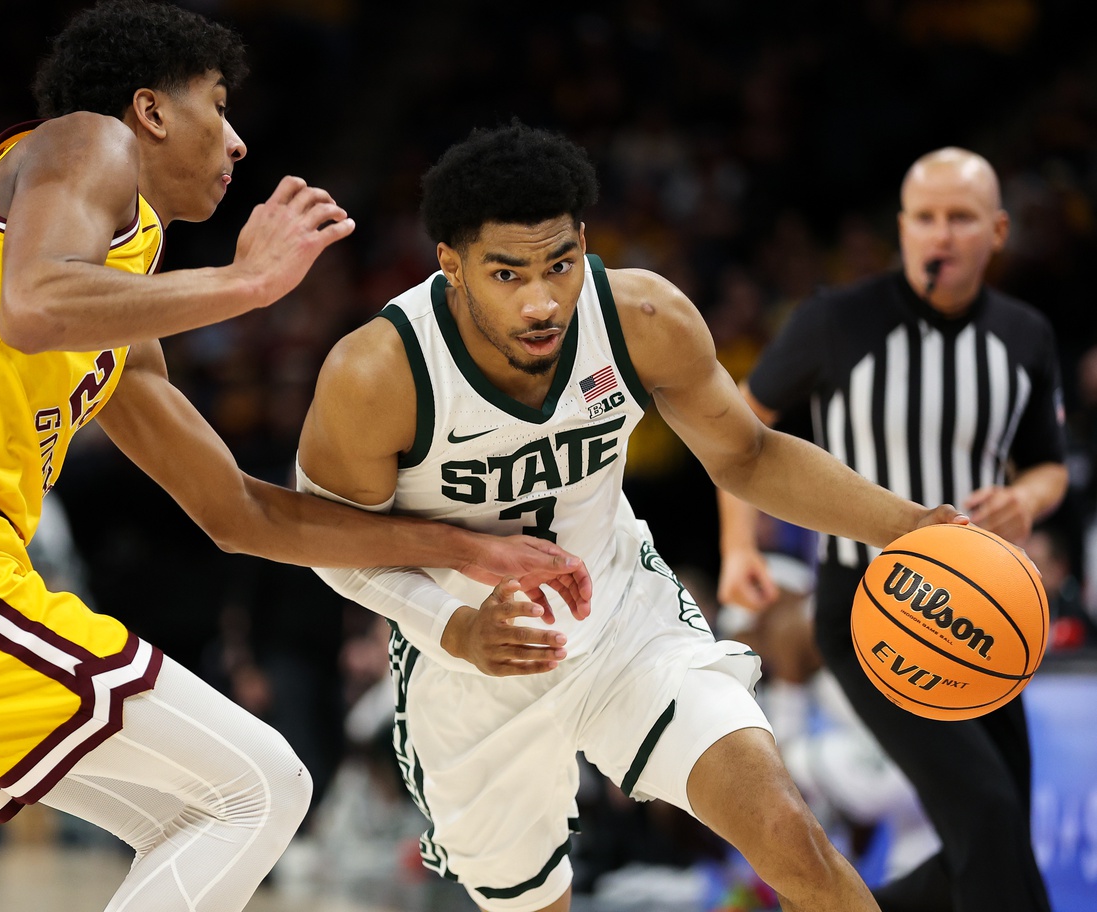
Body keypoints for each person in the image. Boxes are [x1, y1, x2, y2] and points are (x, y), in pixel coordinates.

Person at [0, 5, 590, 911]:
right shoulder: (87, 141)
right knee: (261, 787)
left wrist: (461, 547)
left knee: (209, 808)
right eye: (219, 104)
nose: (237, 142)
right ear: (151, 111)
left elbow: (239, 513)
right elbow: (35, 304)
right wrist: (247, 284)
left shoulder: (120, 300)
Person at [296, 121, 965, 912]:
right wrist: (453, 628)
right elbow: (327, 544)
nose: (542, 300)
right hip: (471, 667)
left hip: (622, 618)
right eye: (506, 274)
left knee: (790, 833)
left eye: (560, 264)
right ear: (452, 267)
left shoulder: (641, 318)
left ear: (583, 241)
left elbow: (747, 455)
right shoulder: (378, 372)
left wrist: (908, 527)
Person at [717, 147, 1067, 912]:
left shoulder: (1024, 335)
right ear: (901, 227)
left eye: (960, 218)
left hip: (985, 600)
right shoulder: (832, 322)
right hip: (870, 602)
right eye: (924, 218)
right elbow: (736, 430)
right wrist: (738, 545)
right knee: (987, 814)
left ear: (997, 231)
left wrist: (1028, 500)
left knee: (992, 831)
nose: (939, 235)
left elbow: (1050, 464)